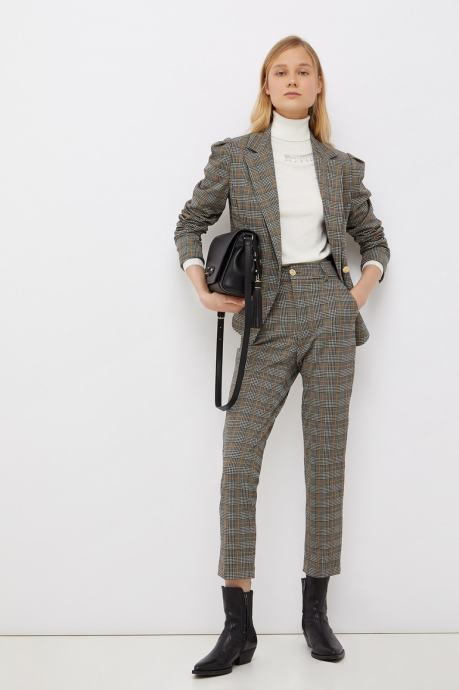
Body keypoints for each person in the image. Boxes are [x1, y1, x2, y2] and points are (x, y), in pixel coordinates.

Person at [174, 35, 390, 676]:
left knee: (325, 462)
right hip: (265, 319)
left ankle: (315, 614)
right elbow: (190, 222)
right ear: (266, 86)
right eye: (280, 72)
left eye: (303, 71)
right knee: (238, 460)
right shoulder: (235, 156)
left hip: (328, 310)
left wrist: (356, 294)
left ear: (317, 87)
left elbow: (374, 239)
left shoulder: (341, 167)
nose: (292, 80)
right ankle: (237, 627)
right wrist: (202, 288)